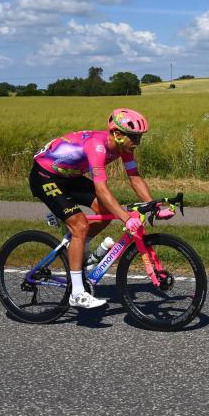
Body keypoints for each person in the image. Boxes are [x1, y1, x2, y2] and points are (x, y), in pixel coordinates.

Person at [29, 109, 153, 309]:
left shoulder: (125, 148)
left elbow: (135, 178)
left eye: (139, 137)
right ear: (118, 134)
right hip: (45, 176)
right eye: (134, 137)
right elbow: (101, 188)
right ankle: (77, 293)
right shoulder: (97, 146)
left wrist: (153, 204)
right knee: (80, 225)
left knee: (106, 212)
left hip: (69, 176)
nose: (137, 141)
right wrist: (126, 218)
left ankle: (81, 252)